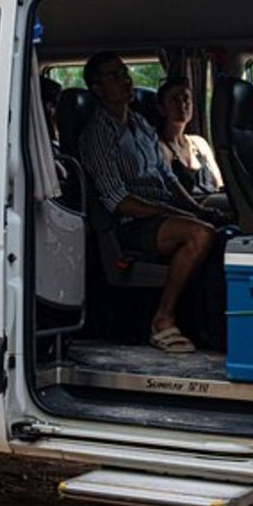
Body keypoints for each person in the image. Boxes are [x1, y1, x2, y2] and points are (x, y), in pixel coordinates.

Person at [77, 52, 226, 354]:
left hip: (160, 216)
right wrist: (172, 212)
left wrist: (198, 210)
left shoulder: (141, 125)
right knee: (199, 235)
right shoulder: (97, 135)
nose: (126, 80)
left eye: (125, 72)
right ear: (97, 89)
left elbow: (167, 178)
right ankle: (162, 319)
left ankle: (210, 324)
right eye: (114, 76)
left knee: (220, 226)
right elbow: (117, 201)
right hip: (131, 224)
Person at [155, 77, 226, 206]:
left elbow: (219, 184)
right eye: (174, 100)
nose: (182, 104)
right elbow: (169, 193)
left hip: (214, 203)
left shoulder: (199, 143)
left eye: (186, 98)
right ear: (162, 109)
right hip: (188, 209)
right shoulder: (159, 147)